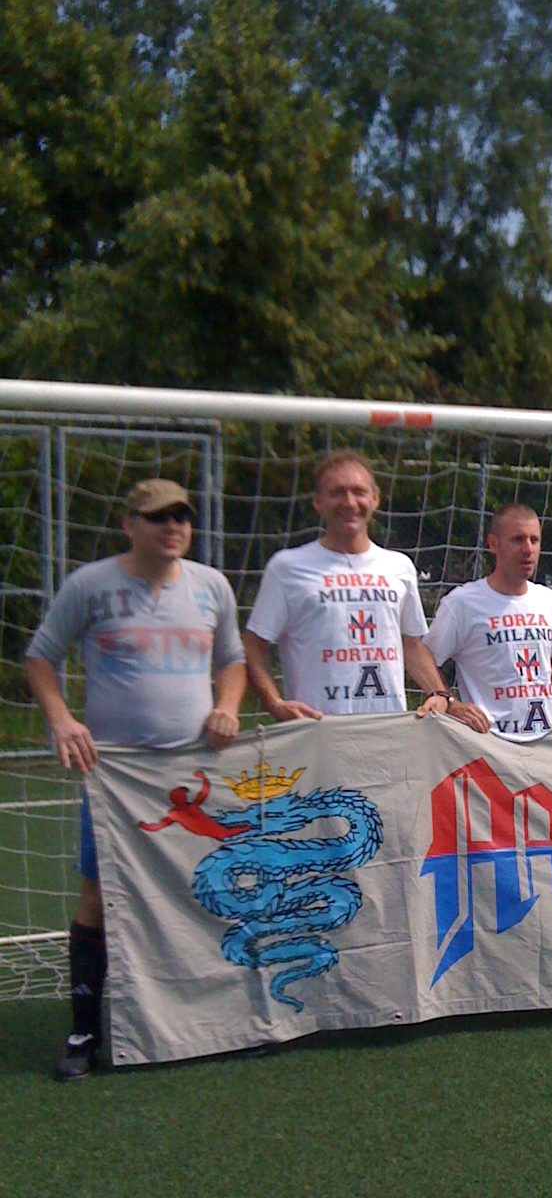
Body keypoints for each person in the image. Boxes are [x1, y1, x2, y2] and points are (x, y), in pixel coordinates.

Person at [25, 478, 246, 1080]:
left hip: (192, 772)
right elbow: (40, 658)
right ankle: (83, 1030)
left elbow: (232, 661)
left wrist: (227, 706)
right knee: (99, 896)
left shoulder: (211, 586)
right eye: (157, 517)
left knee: (203, 885)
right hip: (116, 777)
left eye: (181, 516)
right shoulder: (90, 585)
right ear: (129, 525)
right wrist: (62, 720)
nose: (172, 526)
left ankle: (211, 1017)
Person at [244, 450, 463, 723]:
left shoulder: (399, 566)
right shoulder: (287, 567)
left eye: (359, 492)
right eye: (337, 493)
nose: (349, 502)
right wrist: (274, 703)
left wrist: (440, 694)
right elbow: (253, 644)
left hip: (387, 726)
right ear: (318, 502)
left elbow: (411, 644)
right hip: (318, 728)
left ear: (375, 499)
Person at [422, 503, 552, 741]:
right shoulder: (462, 603)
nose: (528, 549)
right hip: (490, 741)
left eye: (534, 540)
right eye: (518, 540)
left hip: (548, 738)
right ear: (493, 544)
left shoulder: (549, 601)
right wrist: (450, 702)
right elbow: (425, 657)